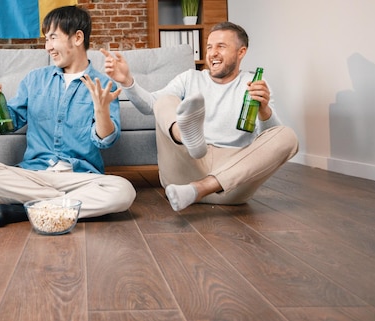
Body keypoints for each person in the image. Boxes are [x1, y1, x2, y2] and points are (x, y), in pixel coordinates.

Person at [101, 21, 298, 211]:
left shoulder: (254, 84)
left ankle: (200, 189)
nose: (212, 53)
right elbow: (150, 106)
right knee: (165, 100)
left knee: (288, 136)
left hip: (231, 181)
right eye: (209, 46)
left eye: (221, 46)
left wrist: (264, 110)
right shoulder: (190, 78)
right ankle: (185, 135)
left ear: (241, 52)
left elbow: (271, 139)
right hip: (186, 168)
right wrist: (127, 81)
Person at [0, 5, 136, 227]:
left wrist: (102, 111)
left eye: (53, 38)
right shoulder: (34, 79)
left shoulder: (103, 84)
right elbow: (10, 124)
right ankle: (62, 206)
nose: (48, 47)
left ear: (77, 38)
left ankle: (24, 209)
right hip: (35, 175)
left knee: (123, 191)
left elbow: (105, 141)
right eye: (46, 39)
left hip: (80, 179)